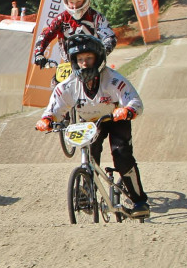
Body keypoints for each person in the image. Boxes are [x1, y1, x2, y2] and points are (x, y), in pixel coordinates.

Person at [35, 35, 149, 218]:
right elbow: (55, 107)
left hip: (116, 119)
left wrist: (128, 110)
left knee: (121, 155)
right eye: (80, 60)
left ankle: (139, 201)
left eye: (89, 58)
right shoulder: (69, 85)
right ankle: (87, 189)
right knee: (89, 153)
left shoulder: (113, 80)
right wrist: (47, 120)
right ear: (74, 62)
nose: (84, 63)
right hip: (90, 123)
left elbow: (134, 100)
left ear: (98, 59)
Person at [33, 0, 116, 70]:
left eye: (78, 1)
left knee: (113, 81)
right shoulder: (61, 18)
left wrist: (102, 51)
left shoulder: (96, 17)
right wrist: (38, 54)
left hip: (93, 64)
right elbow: (45, 35)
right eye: (71, 2)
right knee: (56, 83)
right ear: (65, 1)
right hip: (69, 66)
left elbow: (110, 37)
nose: (75, 6)